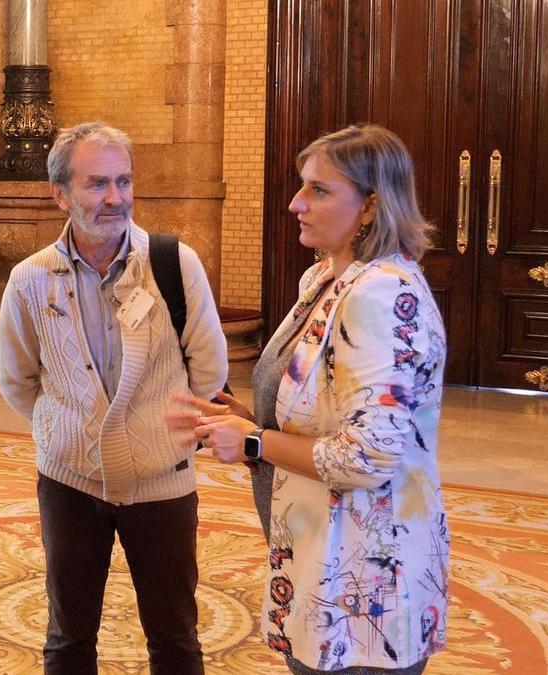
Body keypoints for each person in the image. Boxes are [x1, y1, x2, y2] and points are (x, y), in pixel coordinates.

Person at [179, 125, 449, 673]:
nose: (295, 203)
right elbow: (320, 408)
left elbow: (367, 456)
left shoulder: (381, 293)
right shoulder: (327, 277)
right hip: (318, 550)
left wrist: (254, 441)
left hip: (364, 578)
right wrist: (247, 418)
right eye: (303, 186)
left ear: (371, 205)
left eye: (319, 191)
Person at [0, 121, 230, 674]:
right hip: (70, 480)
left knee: (174, 638)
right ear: (60, 194)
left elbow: (209, 367)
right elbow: (18, 381)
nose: (115, 198)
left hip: (162, 481)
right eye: (97, 184)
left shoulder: (175, 264)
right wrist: (77, 429)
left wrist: (155, 432)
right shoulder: (30, 280)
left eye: (124, 182)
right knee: (69, 637)